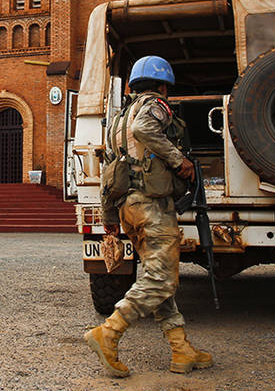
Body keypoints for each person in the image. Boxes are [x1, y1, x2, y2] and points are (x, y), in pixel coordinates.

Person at [84, 55, 211, 377]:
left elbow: (109, 170)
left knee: (157, 278)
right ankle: (109, 332)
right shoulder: (155, 105)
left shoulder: (118, 119)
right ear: (163, 85)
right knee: (162, 278)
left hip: (129, 208)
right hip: (153, 207)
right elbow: (146, 129)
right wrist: (178, 159)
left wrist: (108, 215)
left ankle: (181, 349)